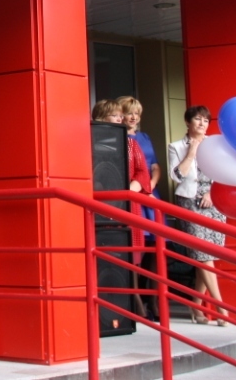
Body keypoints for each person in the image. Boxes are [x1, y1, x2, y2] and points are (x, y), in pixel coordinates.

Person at [168, 105, 229, 326]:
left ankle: (196, 306)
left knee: (207, 256)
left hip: (213, 202)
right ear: (188, 122)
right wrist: (192, 151)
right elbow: (177, 176)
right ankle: (221, 308)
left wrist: (212, 193)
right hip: (189, 202)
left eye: (205, 120)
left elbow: (224, 173)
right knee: (203, 255)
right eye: (197, 119)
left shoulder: (216, 144)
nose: (202, 124)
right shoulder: (176, 146)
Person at [92, 99, 152, 315]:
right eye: (115, 116)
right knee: (108, 253)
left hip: (128, 203)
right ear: (101, 118)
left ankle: (133, 298)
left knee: (131, 252)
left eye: (120, 115)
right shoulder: (90, 142)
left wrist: (131, 189)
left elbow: (143, 172)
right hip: (103, 206)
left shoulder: (131, 144)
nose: (120, 119)